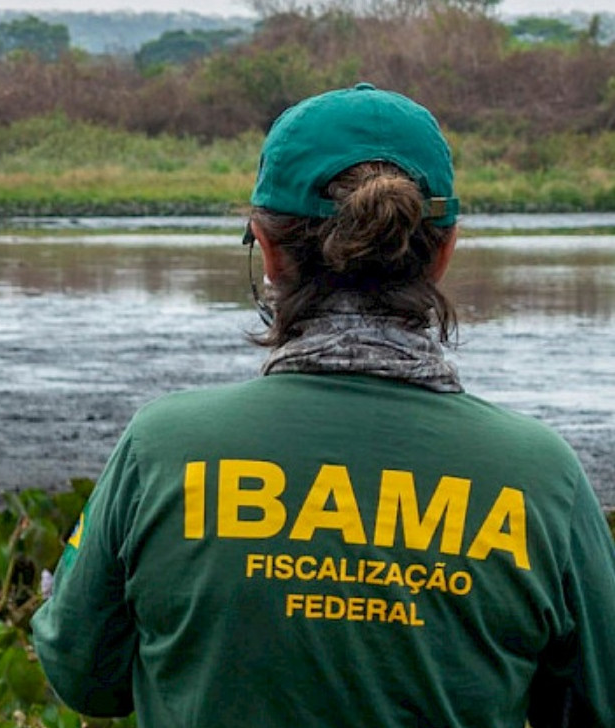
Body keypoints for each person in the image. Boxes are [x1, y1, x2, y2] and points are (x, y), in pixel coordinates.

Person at [30, 83, 615, 728]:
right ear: (444, 253)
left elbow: (84, 675)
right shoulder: (540, 478)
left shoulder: (162, 446)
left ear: (269, 250)